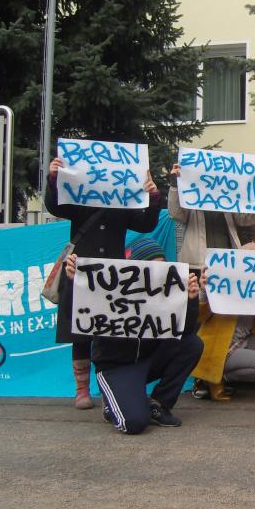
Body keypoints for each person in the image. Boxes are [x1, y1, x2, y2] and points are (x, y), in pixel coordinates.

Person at [45, 156, 161, 409]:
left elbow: (145, 223)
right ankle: (82, 390)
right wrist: (54, 180)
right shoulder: (79, 198)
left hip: (112, 276)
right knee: (79, 332)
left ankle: (109, 387)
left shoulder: (125, 202)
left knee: (111, 332)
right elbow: (55, 207)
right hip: (78, 271)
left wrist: (153, 197)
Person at [64, 238, 204, 434]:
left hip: (148, 359)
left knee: (193, 344)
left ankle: (159, 403)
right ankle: (113, 404)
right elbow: (76, 317)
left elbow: (185, 332)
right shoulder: (108, 291)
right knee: (134, 423)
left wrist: (191, 300)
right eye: (151, 268)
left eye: (161, 268)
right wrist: (73, 283)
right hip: (116, 365)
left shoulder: (166, 292)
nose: (157, 274)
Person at [168, 161, 255, 398]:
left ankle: (217, 371)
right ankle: (199, 378)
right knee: (196, 320)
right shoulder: (191, 197)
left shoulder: (229, 196)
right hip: (196, 263)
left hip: (228, 266)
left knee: (224, 319)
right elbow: (176, 213)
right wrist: (175, 184)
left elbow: (249, 219)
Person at [191, 242, 255, 400]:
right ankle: (213, 379)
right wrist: (205, 292)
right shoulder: (222, 283)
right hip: (221, 350)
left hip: (242, 343)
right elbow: (199, 316)